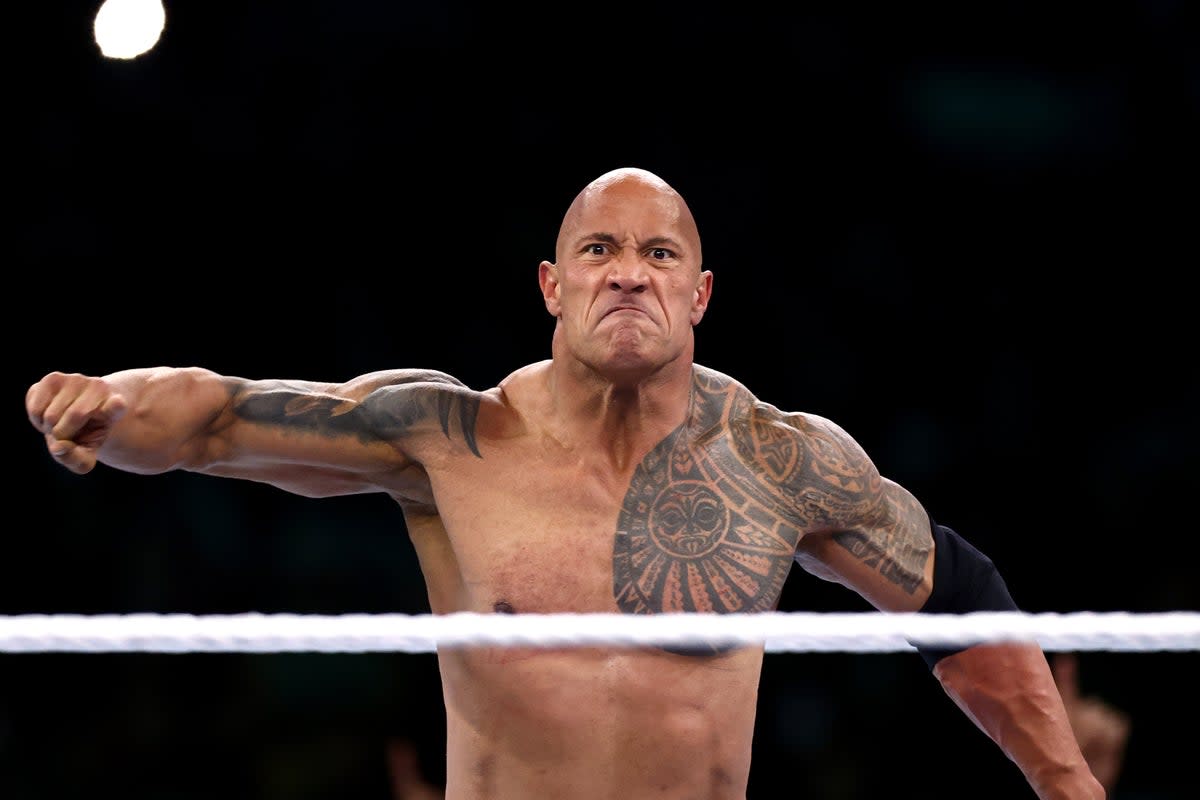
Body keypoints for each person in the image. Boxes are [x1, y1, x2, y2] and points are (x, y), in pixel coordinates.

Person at [25, 166, 1105, 799]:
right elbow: (217, 417)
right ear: (552, 284)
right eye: (596, 249)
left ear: (700, 294)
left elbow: (958, 593)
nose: (628, 270)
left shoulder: (783, 460)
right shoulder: (452, 433)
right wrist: (106, 405)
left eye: (659, 254)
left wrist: (1069, 786)